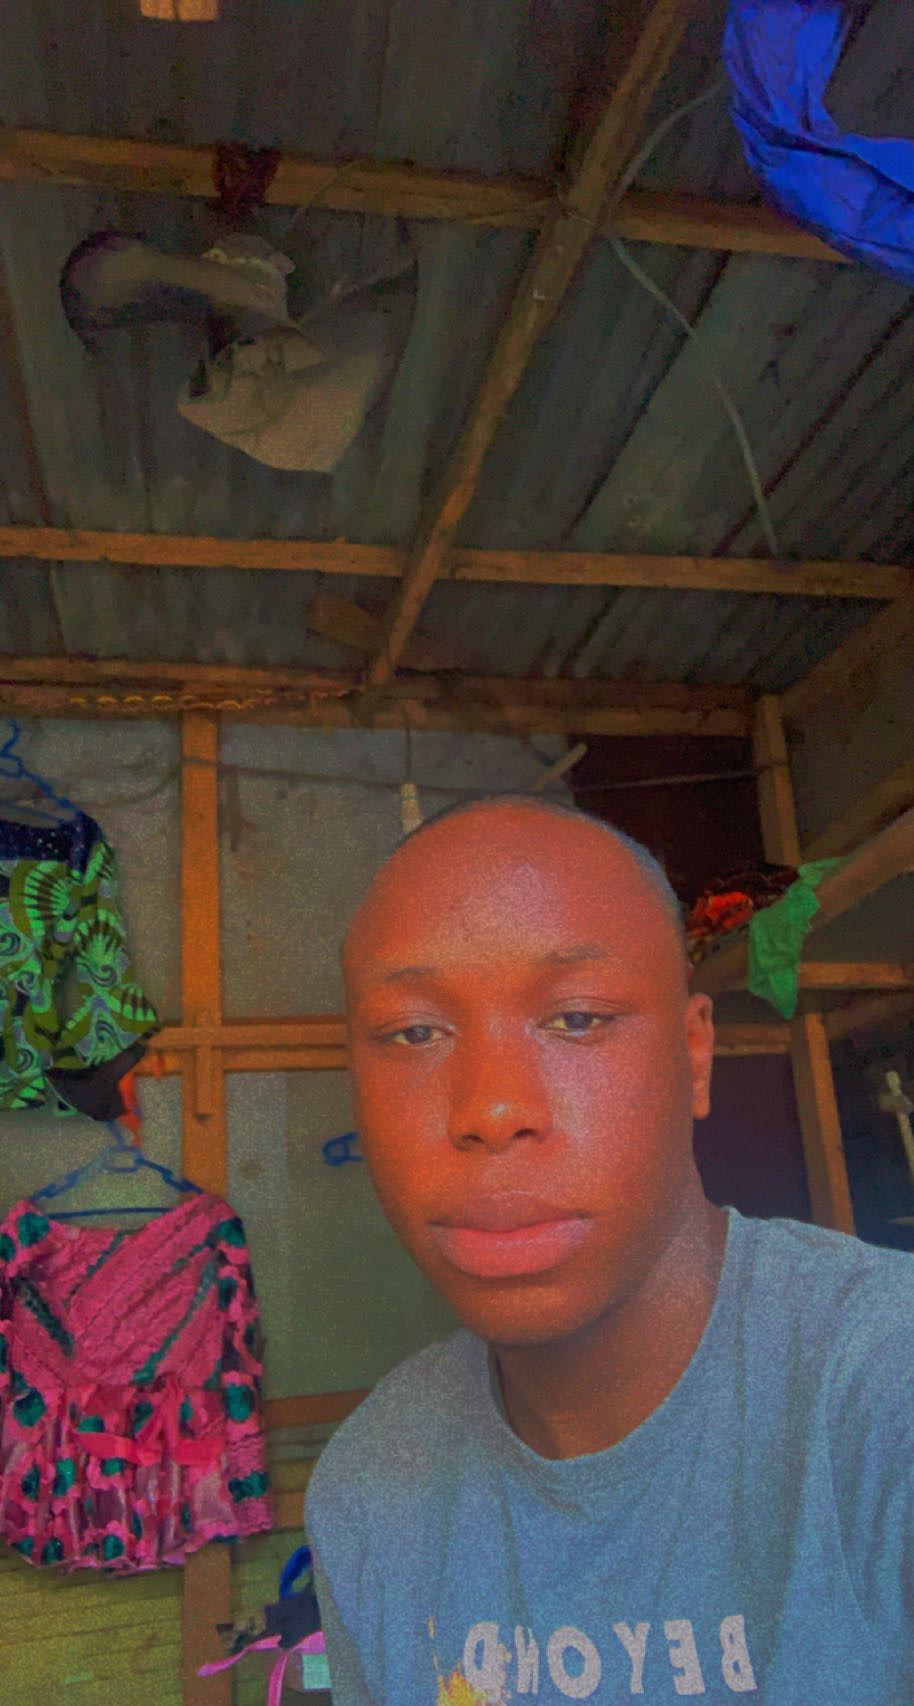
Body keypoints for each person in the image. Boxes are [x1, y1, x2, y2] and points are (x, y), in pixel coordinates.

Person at [305, 793, 914, 1704]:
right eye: (413, 1032)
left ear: (695, 1056)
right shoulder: (369, 1493)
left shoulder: (884, 1394)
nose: (491, 1109)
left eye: (579, 1018)